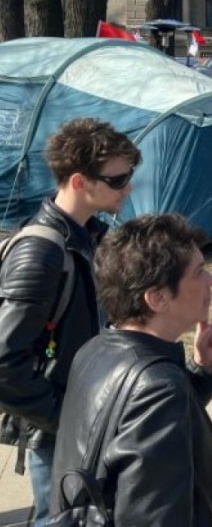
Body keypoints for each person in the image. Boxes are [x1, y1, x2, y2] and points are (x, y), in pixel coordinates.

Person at [0, 118, 140, 525]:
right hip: (59, 432)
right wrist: (64, 417)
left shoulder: (91, 236)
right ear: (79, 182)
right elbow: (4, 362)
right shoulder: (40, 253)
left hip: (89, 418)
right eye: (117, 179)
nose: (128, 188)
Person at [51, 214, 212, 526]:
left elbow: (131, 426)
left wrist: (201, 369)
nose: (211, 280)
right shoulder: (157, 386)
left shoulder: (95, 349)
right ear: (158, 298)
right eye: (199, 273)